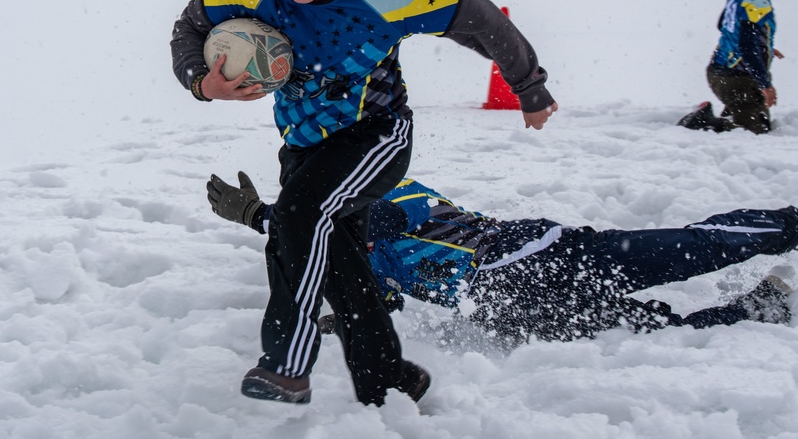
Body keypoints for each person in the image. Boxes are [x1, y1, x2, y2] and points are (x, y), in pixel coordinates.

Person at [170, 0, 558, 406]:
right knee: (330, 256)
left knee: (299, 218)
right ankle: (390, 378)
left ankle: (286, 365)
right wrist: (201, 81)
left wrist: (528, 88)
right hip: (304, 144)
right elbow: (189, 26)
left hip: (375, 137)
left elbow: (483, 22)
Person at [207, 171, 797, 348]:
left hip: (531, 255)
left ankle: (787, 226)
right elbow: (376, 294)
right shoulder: (355, 244)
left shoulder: (385, 185)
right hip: (499, 303)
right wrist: (347, 313)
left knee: (693, 247)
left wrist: (264, 217)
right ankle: (758, 307)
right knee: (650, 332)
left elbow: (358, 227)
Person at [679, 0, 785, 134]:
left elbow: (724, 25)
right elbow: (746, 46)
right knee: (754, 132)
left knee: (754, 114)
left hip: (722, 72)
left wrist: (763, 44)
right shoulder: (756, 3)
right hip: (734, 79)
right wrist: (766, 85)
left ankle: (734, 112)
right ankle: (703, 121)